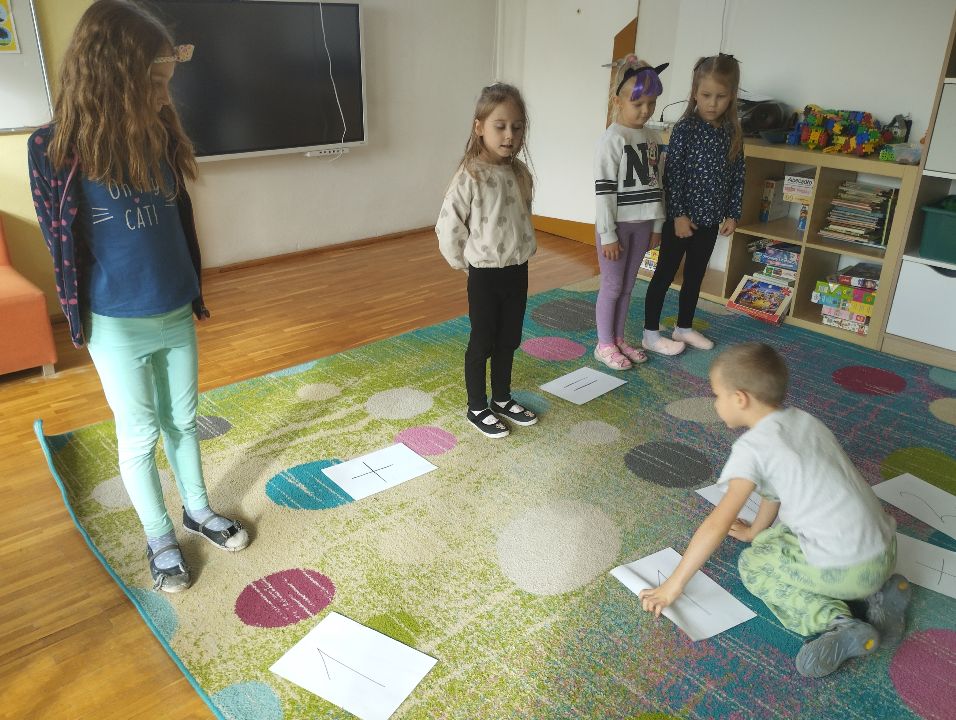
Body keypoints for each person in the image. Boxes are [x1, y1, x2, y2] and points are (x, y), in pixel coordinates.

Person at [28, 0, 249, 593]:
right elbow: (59, 243)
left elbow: (178, 221)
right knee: (140, 433)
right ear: (110, 75)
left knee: (184, 421)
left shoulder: (159, 132)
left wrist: (193, 291)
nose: (162, 97)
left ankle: (197, 510)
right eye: (152, 84)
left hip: (174, 307)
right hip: (116, 322)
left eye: (166, 82)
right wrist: (79, 318)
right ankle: (159, 538)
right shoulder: (53, 149)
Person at [638, 342, 910, 678]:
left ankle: (840, 623)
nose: (715, 403)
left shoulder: (752, 448)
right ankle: (877, 596)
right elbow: (774, 491)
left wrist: (673, 585)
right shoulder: (804, 421)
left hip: (848, 570)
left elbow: (717, 523)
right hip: (885, 551)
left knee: (754, 565)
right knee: (772, 537)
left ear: (740, 398)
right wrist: (754, 531)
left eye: (717, 395)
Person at [436, 83, 539, 439]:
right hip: (483, 275)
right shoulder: (470, 175)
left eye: (517, 127)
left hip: (517, 270)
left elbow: (523, 216)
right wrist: (464, 263)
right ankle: (477, 405)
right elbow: (448, 225)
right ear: (479, 127)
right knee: (483, 340)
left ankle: (502, 397)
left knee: (509, 338)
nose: (510, 135)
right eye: (500, 126)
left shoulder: (521, 173)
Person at [643, 54, 746, 356]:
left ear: (732, 96)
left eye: (720, 96)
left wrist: (733, 214)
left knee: (695, 276)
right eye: (706, 95)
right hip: (680, 220)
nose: (712, 103)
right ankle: (650, 333)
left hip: (710, 220)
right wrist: (678, 215)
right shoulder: (685, 128)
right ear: (695, 93)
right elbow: (673, 174)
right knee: (664, 274)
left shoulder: (733, 133)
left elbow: (738, 175)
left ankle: (684, 327)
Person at [592, 56, 667, 370]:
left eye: (652, 103)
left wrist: (657, 226)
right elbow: (604, 191)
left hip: (644, 225)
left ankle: (619, 338)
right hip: (617, 228)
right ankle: (604, 344)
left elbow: (658, 185)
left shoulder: (653, 138)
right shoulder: (612, 139)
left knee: (627, 286)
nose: (646, 110)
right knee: (611, 286)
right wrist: (608, 234)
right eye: (638, 103)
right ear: (618, 101)